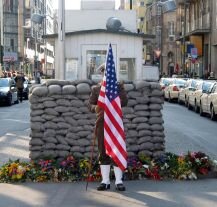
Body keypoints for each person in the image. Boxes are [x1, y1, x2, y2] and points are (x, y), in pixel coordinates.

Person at [88, 63, 128, 191]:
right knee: (103, 151)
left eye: (109, 72)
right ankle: (105, 181)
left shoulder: (118, 87)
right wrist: (97, 107)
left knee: (117, 150)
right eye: (105, 72)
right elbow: (90, 105)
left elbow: (125, 102)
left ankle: (118, 181)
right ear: (102, 73)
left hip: (115, 123)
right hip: (102, 123)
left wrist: (114, 97)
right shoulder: (96, 89)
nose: (107, 74)